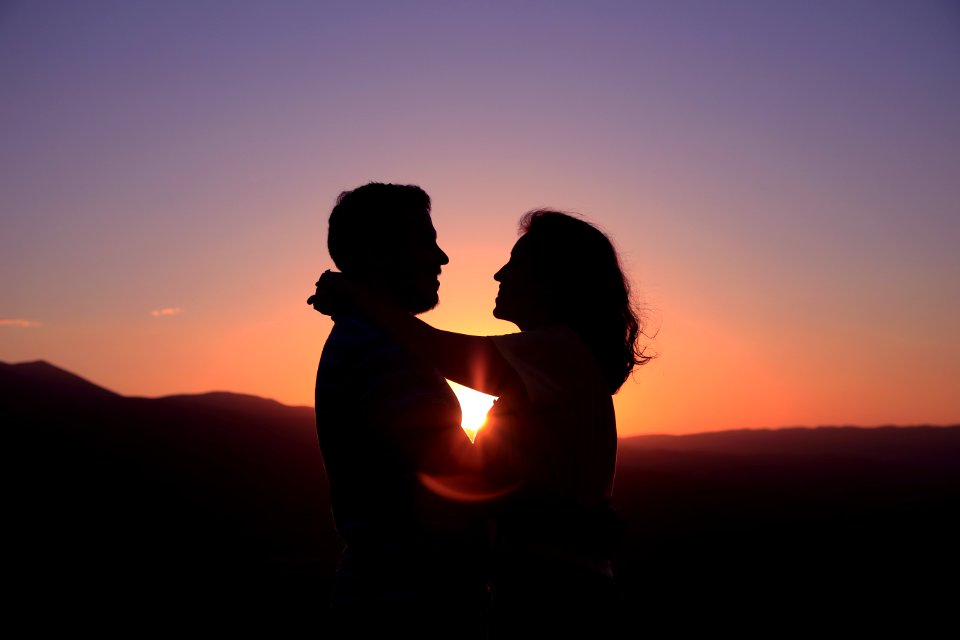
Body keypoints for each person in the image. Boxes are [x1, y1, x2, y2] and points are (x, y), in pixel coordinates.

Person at [311, 209, 650, 637]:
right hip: (551, 594)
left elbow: (437, 348)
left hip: (557, 602)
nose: (498, 273)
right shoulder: (554, 362)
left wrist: (355, 295)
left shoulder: (558, 351)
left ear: (553, 280)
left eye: (516, 263)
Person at [310, 182, 488, 638]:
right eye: (425, 241)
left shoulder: (376, 341)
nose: (441, 258)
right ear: (377, 254)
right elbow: (450, 485)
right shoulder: (377, 350)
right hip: (408, 617)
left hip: (387, 602)